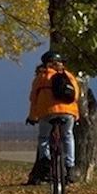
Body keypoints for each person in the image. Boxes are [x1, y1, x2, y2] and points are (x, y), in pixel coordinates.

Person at [25, 50, 80, 186]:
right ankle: (70, 166)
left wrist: (32, 117)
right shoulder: (69, 76)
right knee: (68, 135)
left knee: (43, 137)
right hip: (68, 113)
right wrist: (75, 115)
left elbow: (33, 98)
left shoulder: (42, 76)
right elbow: (76, 96)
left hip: (47, 113)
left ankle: (45, 162)